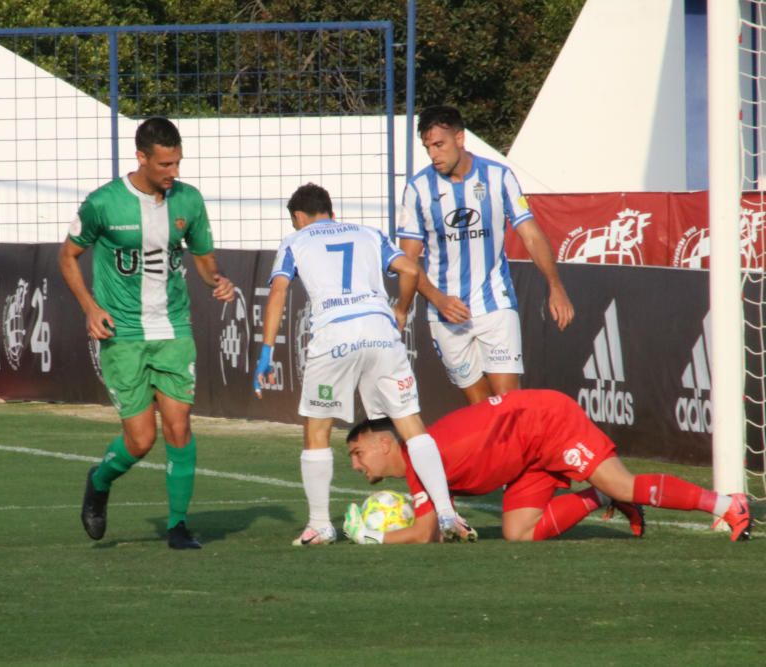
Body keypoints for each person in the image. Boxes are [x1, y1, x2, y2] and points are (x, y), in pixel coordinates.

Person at [253, 183, 473, 546]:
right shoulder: (370, 233)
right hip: (379, 331)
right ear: (331, 211)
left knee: (317, 430)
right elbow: (411, 270)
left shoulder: (296, 241)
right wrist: (400, 308)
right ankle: (448, 513)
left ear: (298, 218)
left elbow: (279, 291)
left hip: (334, 336)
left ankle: (321, 524)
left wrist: (265, 352)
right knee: (412, 425)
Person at [58, 116, 235, 550]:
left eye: (177, 163)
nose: (173, 173)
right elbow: (68, 257)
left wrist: (218, 281)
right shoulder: (103, 203)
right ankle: (99, 482)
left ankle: (177, 526)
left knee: (179, 427)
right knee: (141, 439)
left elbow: (203, 259)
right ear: (141, 157)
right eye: (164, 165)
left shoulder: (189, 201)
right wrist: (90, 307)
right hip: (123, 334)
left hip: (173, 329)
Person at [342, 389, 752, 544]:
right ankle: (598, 495)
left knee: (625, 484)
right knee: (518, 532)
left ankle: (727, 505)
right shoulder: (421, 460)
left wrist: (371, 536)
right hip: (524, 458)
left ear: (383, 442)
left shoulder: (418, 455)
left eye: (357, 452)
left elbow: (424, 533)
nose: (356, 464)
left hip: (545, 422)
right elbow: (427, 531)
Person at [398, 105, 575, 404]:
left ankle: (519, 452)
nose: (433, 154)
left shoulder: (499, 177)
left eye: (439, 144)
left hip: (495, 303)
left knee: (508, 403)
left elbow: (530, 235)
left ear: (460, 139)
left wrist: (556, 287)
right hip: (446, 312)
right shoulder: (418, 189)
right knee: (481, 407)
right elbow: (408, 261)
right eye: (428, 147)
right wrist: (438, 299)